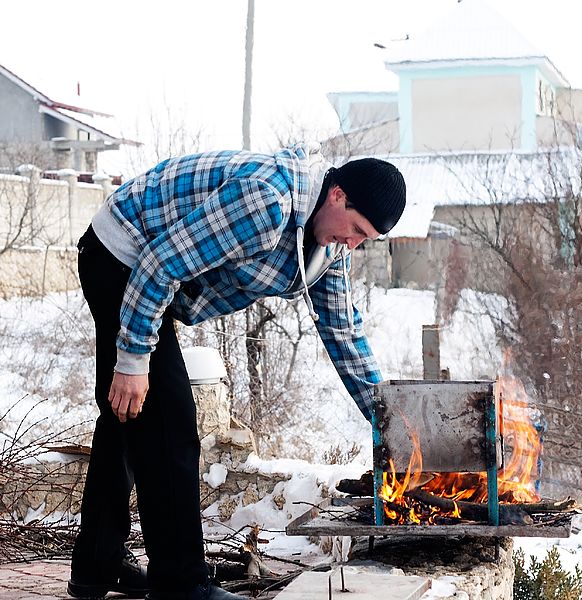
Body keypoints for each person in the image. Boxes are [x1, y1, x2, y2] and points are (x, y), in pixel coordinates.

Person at [68, 142, 406, 600]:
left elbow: (344, 335)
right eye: (356, 229)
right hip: (122, 255)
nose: (354, 244)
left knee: (129, 414)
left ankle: (96, 565)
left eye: (366, 239)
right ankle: (181, 585)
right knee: (170, 424)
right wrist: (131, 360)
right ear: (337, 195)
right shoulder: (266, 204)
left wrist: (390, 426)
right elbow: (159, 264)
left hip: (149, 269)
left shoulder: (327, 248)